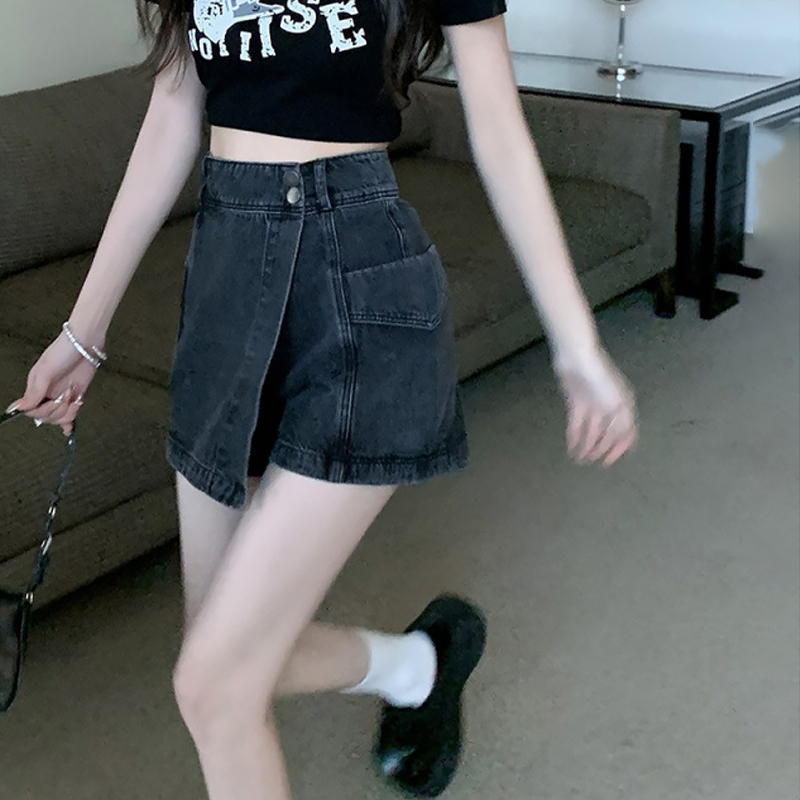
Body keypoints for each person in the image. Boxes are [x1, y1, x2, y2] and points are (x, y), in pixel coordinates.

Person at [5, 0, 639, 797]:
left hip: (358, 276)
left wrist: (576, 344)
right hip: (226, 285)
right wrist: (85, 331)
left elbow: (499, 130)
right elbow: (172, 115)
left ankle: (415, 667)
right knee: (225, 661)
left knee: (214, 686)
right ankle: (417, 666)